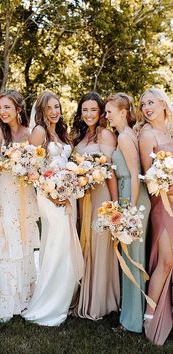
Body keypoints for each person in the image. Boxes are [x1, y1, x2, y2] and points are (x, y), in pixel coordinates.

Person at [22, 91, 84, 326]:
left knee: (67, 244)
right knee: (58, 245)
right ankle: (50, 304)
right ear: (41, 110)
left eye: (57, 106)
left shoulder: (60, 132)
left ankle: (63, 298)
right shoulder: (38, 132)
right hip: (50, 197)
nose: (55, 111)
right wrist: (51, 191)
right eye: (49, 108)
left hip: (67, 195)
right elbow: (30, 169)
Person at [0, 90, 40, 322]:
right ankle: (6, 301)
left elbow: (35, 167)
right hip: (4, 191)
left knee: (25, 241)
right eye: (0, 107)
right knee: (7, 243)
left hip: (25, 193)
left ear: (19, 109)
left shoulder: (29, 133)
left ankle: (25, 299)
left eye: (7, 107)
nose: (2, 112)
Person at [71, 91, 120, 320]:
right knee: (85, 244)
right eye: (85, 110)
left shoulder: (105, 135)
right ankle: (83, 294)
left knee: (99, 245)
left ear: (100, 112)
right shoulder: (81, 136)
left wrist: (115, 205)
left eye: (93, 109)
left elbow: (110, 173)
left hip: (100, 198)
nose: (89, 114)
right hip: (83, 198)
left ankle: (99, 301)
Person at [105, 93, 151, 333]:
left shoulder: (125, 136)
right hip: (129, 195)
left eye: (110, 111)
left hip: (131, 196)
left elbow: (135, 174)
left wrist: (130, 211)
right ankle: (133, 316)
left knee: (133, 261)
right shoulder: (127, 134)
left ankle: (132, 322)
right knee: (132, 258)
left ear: (123, 111)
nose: (106, 115)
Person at [137, 88, 173, 345]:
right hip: (162, 205)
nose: (146, 107)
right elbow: (149, 178)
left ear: (163, 103)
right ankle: (150, 315)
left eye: (150, 102)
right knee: (167, 260)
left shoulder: (170, 131)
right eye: (142, 104)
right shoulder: (146, 135)